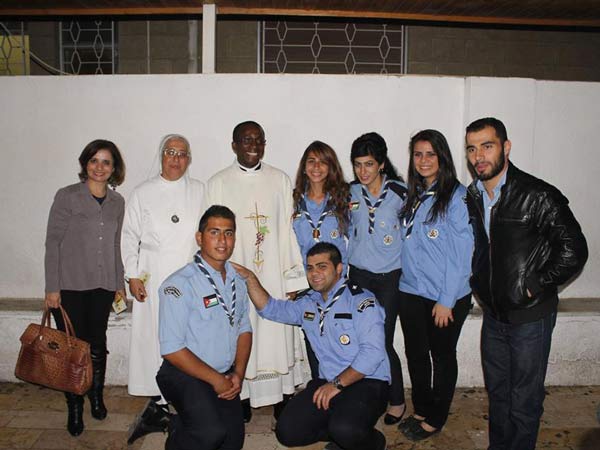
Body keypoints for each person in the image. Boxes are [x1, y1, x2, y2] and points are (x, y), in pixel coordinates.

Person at [465, 117, 588, 450]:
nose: (479, 156)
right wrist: (479, 281)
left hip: (531, 315)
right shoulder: (474, 195)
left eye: (487, 146)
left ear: (506, 147)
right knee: (498, 394)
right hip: (494, 314)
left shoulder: (538, 194)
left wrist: (535, 285)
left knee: (524, 399)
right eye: (472, 149)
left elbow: (574, 249)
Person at [233, 242, 390, 450]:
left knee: (345, 429)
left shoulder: (361, 301)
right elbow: (271, 309)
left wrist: (336, 385)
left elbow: (373, 354)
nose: (314, 273)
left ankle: (371, 441)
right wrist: (250, 278)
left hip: (367, 382)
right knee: (287, 432)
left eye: (322, 266)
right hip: (328, 381)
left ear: (339, 268)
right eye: (310, 268)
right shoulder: (308, 302)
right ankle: (343, 430)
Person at [205, 121, 308, 421]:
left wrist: (292, 278)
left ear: (264, 144)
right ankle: (241, 396)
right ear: (234, 145)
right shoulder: (218, 183)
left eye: (258, 140)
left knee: (275, 333)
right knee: (238, 330)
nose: (253, 145)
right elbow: (209, 233)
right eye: (246, 140)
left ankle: (282, 395)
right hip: (234, 273)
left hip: (273, 275)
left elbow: (288, 231)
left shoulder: (279, 179)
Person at [121, 134, 205, 443]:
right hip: (153, 275)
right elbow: (129, 235)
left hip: (189, 276)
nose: (176, 158)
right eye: (170, 152)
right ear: (161, 156)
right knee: (154, 338)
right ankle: (157, 403)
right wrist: (132, 275)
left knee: (187, 337)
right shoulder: (143, 192)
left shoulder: (200, 190)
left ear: (189, 159)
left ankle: (186, 398)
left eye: (182, 153)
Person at [44, 139, 126, 436]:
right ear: (85, 164)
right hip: (70, 287)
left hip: (102, 286)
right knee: (72, 350)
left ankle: (96, 396)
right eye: (94, 161)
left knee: (97, 345)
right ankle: (75, 407)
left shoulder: (118, 202)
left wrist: (119, 284)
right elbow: (53, 243)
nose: (99, 167)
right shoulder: (67, 196)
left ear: (114, 168)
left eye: (106, 162)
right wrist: (52, 288)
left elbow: (116, 245)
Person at [397, 129, 473, 441]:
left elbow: (461, 255)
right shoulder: (414, 194)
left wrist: (446, 300)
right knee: (416, 354)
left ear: (442, 157)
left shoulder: (456, 196)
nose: (424, 160)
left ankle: (436, 417)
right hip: (411, 290)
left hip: (444, 295)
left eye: (430, 154)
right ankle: (422, 408)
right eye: (418, 154)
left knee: (441, 357)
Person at [157, 205, 252, 450]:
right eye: (214, 232)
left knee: (232, 443)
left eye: (228, 233)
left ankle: (187, 422)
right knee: (210, 434)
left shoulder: (238, 281)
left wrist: (238, 374)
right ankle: (175, 433)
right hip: (183, 374)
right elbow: (172, 349)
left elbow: (244, 329)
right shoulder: (179, 284)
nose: (222, 240)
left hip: (223, 373)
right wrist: (217, 380)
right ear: (199, 238)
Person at [347, 132, 407, 424]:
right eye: (358, 164)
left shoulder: (400, 192)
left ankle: (396, 399)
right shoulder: (350, 193)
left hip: (388, 279)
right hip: (358, 276)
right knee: (359, 339)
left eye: (369, 164)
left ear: (381, 163)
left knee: (382, 340)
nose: (363, 171)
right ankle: (365, 397)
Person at [292, 140, 350, 379]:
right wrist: (292, 282)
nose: (317, 167)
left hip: (337, 282)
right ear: (304, 167)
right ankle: (319, 386)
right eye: (311, 161)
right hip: (308, 283)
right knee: (313, 338)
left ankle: (340, 387)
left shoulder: (342, 199)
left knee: (340, 336)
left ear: (331, 167)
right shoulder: (293, 201)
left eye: (323, 162)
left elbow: (355, 239)